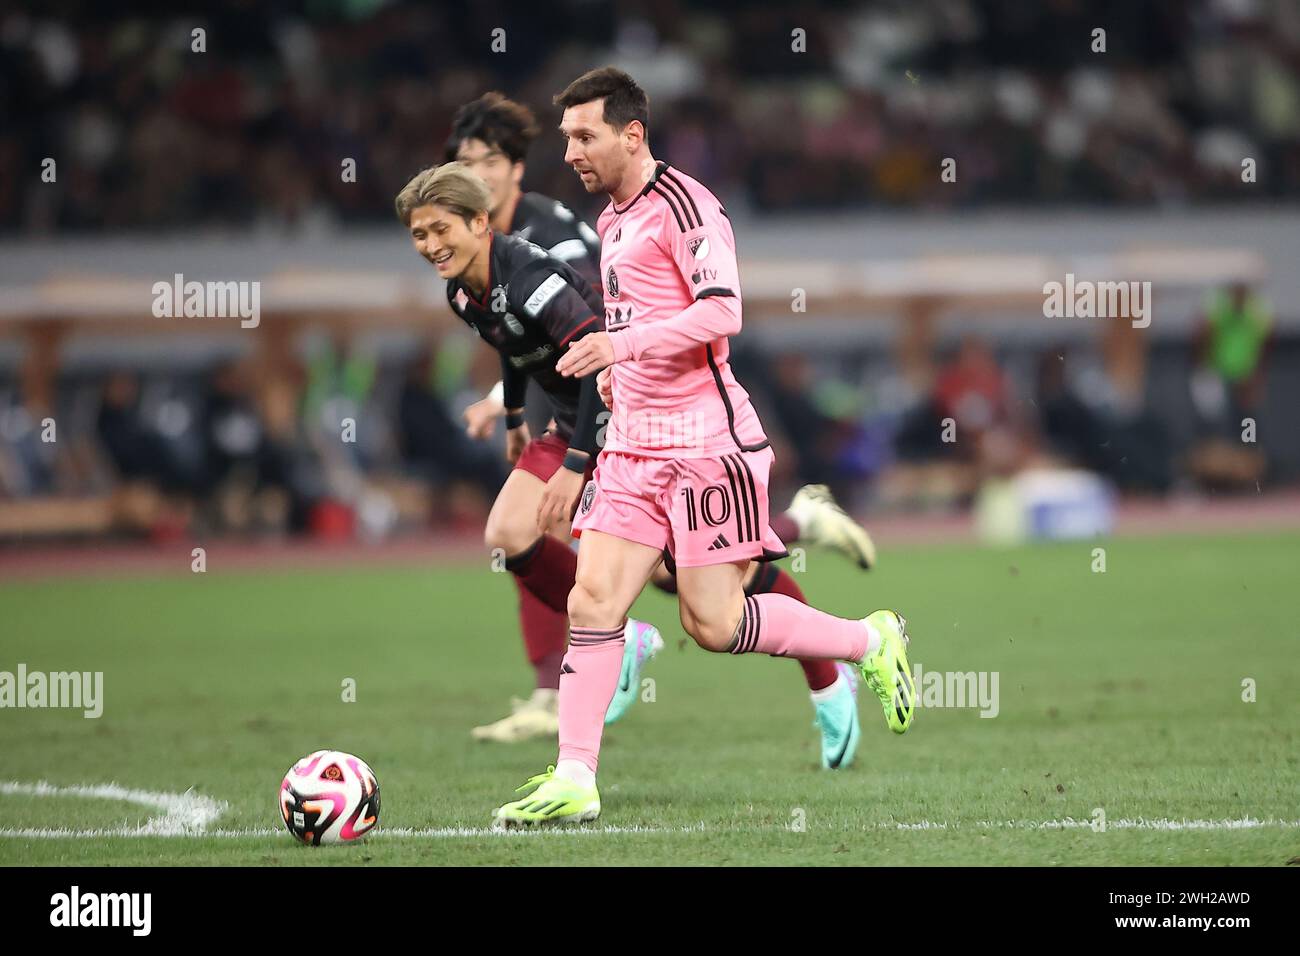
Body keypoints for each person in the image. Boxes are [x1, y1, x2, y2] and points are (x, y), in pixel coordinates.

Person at [492, 68, 915, 827]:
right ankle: (575, 777)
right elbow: (643, 322)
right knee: (593, 600)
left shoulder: (686, 205)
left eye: (585, 135)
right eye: (566, 138)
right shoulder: (613, 219)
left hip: (704, 445)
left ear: (632, 134)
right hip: (633, 447)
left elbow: (722, 313)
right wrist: (624, 377)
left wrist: (620, 346)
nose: (572, 151)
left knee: (712, 625)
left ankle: (868, 640)